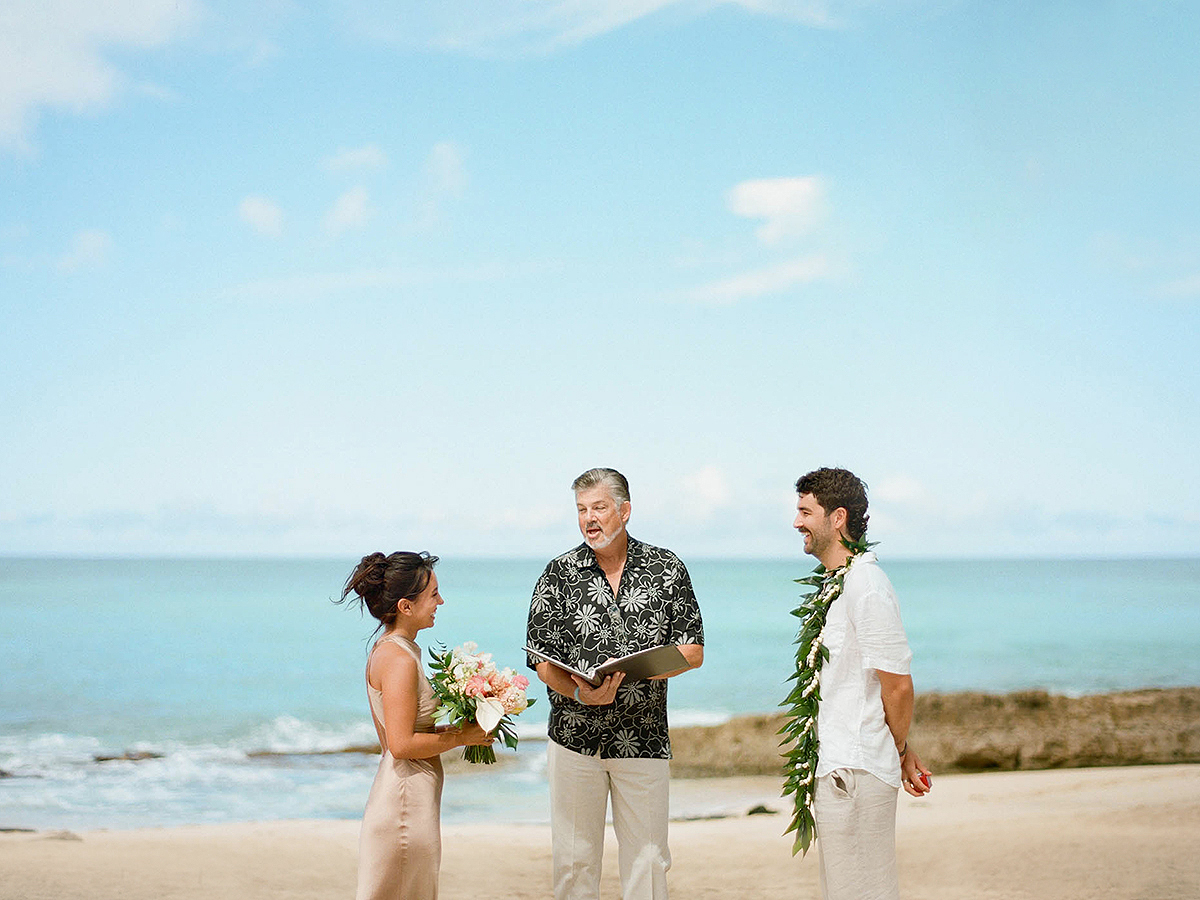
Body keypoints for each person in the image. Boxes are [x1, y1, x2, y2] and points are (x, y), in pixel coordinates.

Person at [525, 468, 705, 900]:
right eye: (581, 510)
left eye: (599, 508)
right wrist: (581, 692)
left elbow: (692, 651)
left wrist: (632, 672)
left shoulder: (667, 568)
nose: (590, 519)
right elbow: (539, 660)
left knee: (648, 862)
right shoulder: (558, 572)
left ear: (624, 510)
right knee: (573, 864)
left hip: (642, 739)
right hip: (573, 740)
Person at [791, 468, 933, 900]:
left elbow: (898, 687)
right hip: (841, 770)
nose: (796, 522)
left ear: (837, 518)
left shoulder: (866, 585)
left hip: (854, 773)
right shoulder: (841, 585)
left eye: (805, 511)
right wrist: (903, 748)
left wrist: (901, 749)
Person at [339, 551, 494, 900]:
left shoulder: (402, 650)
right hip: (403, 804)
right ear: (406, 607)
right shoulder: (397, 658)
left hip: (411, 797)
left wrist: (466, 726)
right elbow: (401, 744)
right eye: (433, 594)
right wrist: (460, 736)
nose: (441, 601)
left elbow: (408, 731)